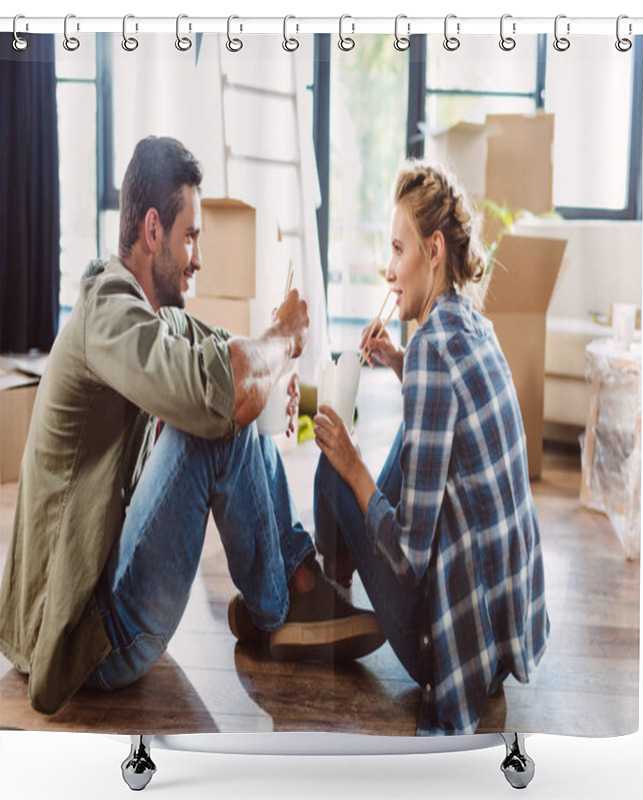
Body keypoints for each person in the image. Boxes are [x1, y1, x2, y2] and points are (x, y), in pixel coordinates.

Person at [0, 136, 383, 716]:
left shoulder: (157, 316)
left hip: (104, 596)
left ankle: (295, 581)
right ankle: (282, 609)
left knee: (232, 399)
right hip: (84, 642)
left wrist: (285, 387)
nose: (197, 256)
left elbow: (229, 358)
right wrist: (281, 341)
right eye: (191, 236)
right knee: (215, 421)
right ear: (153, 231)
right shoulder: (108, 309)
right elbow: (218, 393)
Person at [312, 161, 550, 735]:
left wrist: (353, 467)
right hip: (502, 639)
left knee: (331, 468)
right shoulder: (471, 324)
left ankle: (325, 601)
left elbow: (411, 554)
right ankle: (330, 590)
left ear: (434, 248)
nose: (388, 269)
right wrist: (398, 361)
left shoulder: (431, 355)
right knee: (399, 440)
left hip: (448, 650)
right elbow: (448, 424)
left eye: (398, 250)